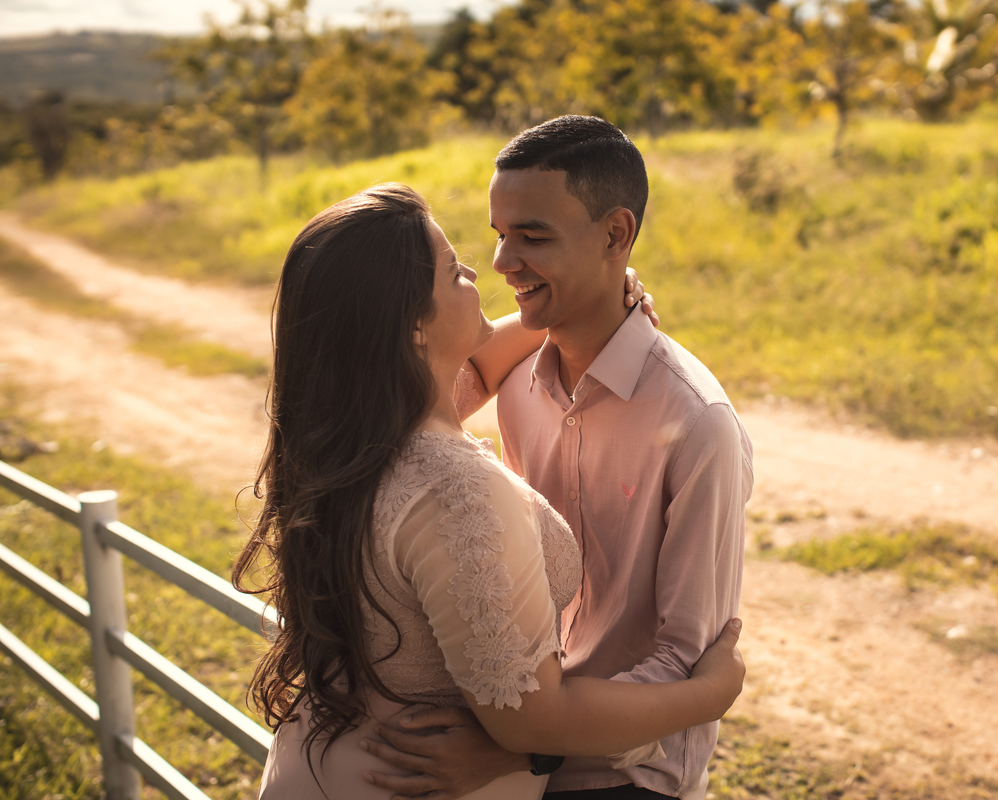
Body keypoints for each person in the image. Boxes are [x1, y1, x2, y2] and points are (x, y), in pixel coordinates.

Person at [236, 182, 746, 800]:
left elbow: (472, 368)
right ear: (411, 328)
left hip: (323, 765)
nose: (488, 267)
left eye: (526, 238)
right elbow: (535, 718)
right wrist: (711, 694)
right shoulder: (459, 491)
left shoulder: (353, 433)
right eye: (454, 271)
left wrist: (583, 299)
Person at [362, 118, 753, 800]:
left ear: (614, 235)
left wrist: (525, 752)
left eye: (532, 236)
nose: (503, 262)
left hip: (623, 780)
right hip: (511, 743)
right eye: (499, 234)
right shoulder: (514, 377)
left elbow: (686, 662)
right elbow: (411, 396)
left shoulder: (697, 425)